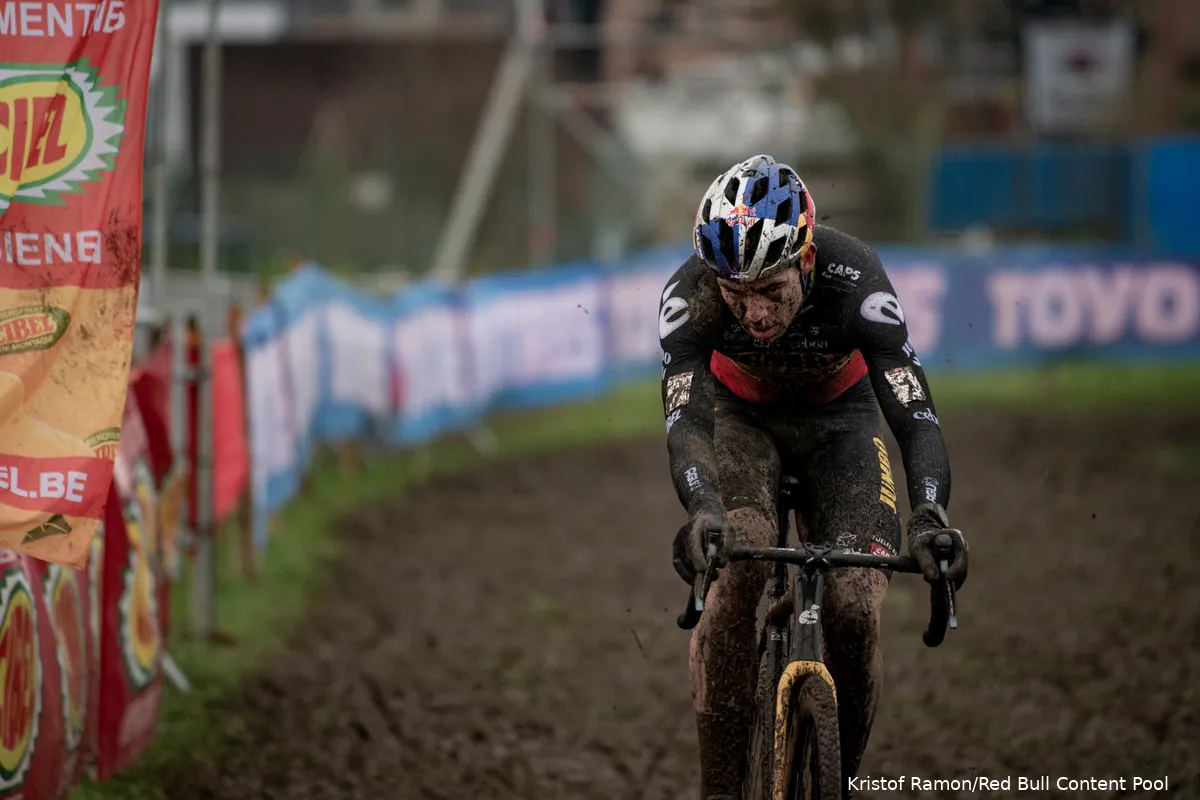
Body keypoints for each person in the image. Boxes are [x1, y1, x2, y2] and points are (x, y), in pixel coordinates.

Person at [658, 154, 969, 799]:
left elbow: (912, 414)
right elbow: (685, 420)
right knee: (736, 564)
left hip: (842, 427)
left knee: (854, 608)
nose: (756, 316)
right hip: (739, 422)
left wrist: (930, 516)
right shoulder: (689, 294)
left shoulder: (856, 279)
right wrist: (702, 506)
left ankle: (839, 780)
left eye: (771, 291)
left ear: (805, 259)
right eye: (736, 296)